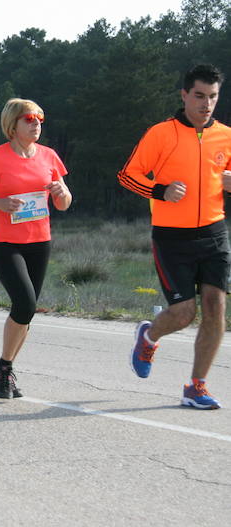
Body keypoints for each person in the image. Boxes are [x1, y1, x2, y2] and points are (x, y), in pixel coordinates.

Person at [118, 64, 231, 410]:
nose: (206, 104)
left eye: (212, 97)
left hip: (214, 232)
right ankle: (149, 337)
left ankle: (196, 386)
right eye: (199, 95)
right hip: (172, 237)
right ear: (184, 95)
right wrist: (160, 190)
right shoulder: (161, 134)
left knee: (215, 308)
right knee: (184, 313)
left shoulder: (226, 136)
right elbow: (127, 176)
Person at [0, 98, 71, 399]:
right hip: (5, 242)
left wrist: (62, 192)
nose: (36, 123)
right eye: (29, 118)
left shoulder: (49, 156)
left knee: (27, 312)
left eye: (39, 117)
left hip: (40, 241)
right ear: (13, 125)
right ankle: (4, 368)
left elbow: (63, 204)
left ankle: (4, 368)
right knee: (25, 304)